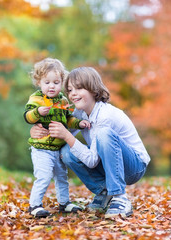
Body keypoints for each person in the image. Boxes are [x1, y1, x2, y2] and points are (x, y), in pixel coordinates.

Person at [30, 67, 150, 218]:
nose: (73, 93)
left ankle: (120, 197)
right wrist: (37, 131)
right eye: (70, 90)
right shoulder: (79, 113)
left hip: (133, 167)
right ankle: (104, 191)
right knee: (66, 151)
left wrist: (67, 135)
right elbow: (59, 135)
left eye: (79, 88)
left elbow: (92, 160)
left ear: (93, 90)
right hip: (108, 163)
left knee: (103, 134)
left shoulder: (105, 115)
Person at [24, 58, 90, 217]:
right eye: (47, 82)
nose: (51, 86)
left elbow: (68, 119)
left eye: (56, 82)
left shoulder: (63, 100)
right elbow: (27, 117)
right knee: (44, 176)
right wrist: (37, 113)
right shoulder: (36, 99)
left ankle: (64, 203)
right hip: (42, 148)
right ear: (39, 82)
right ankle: (34, 205)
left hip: (58, 148)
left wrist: (79, 123)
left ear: (62, 82)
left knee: (62, 177)